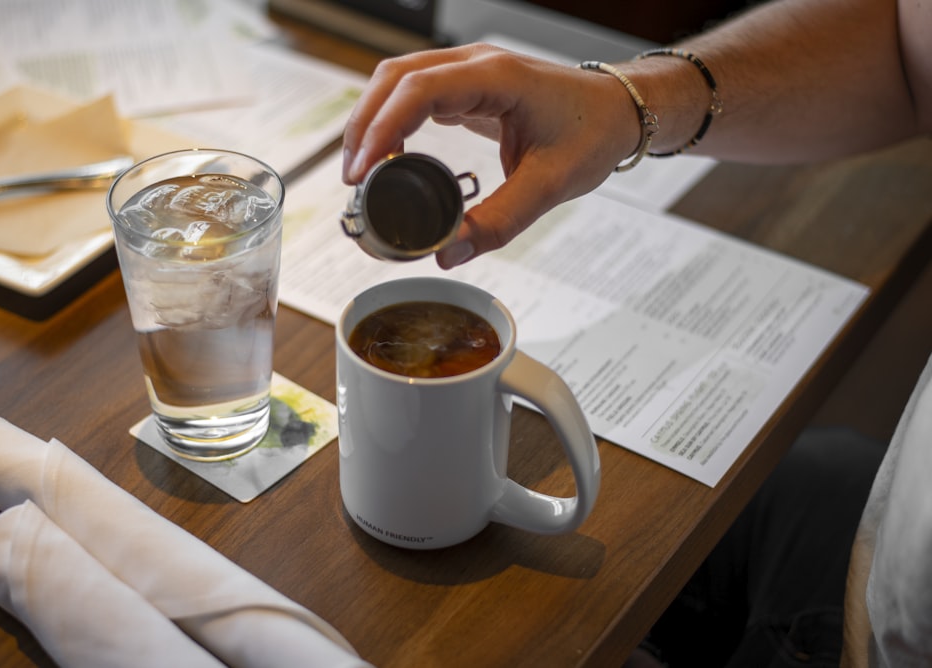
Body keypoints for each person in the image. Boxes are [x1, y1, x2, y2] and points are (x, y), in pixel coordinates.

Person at [341, 0, 932, 666]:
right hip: (878, 521)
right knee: (798, 466)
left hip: (883, 638)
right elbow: (909, 46)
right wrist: (624, 102)